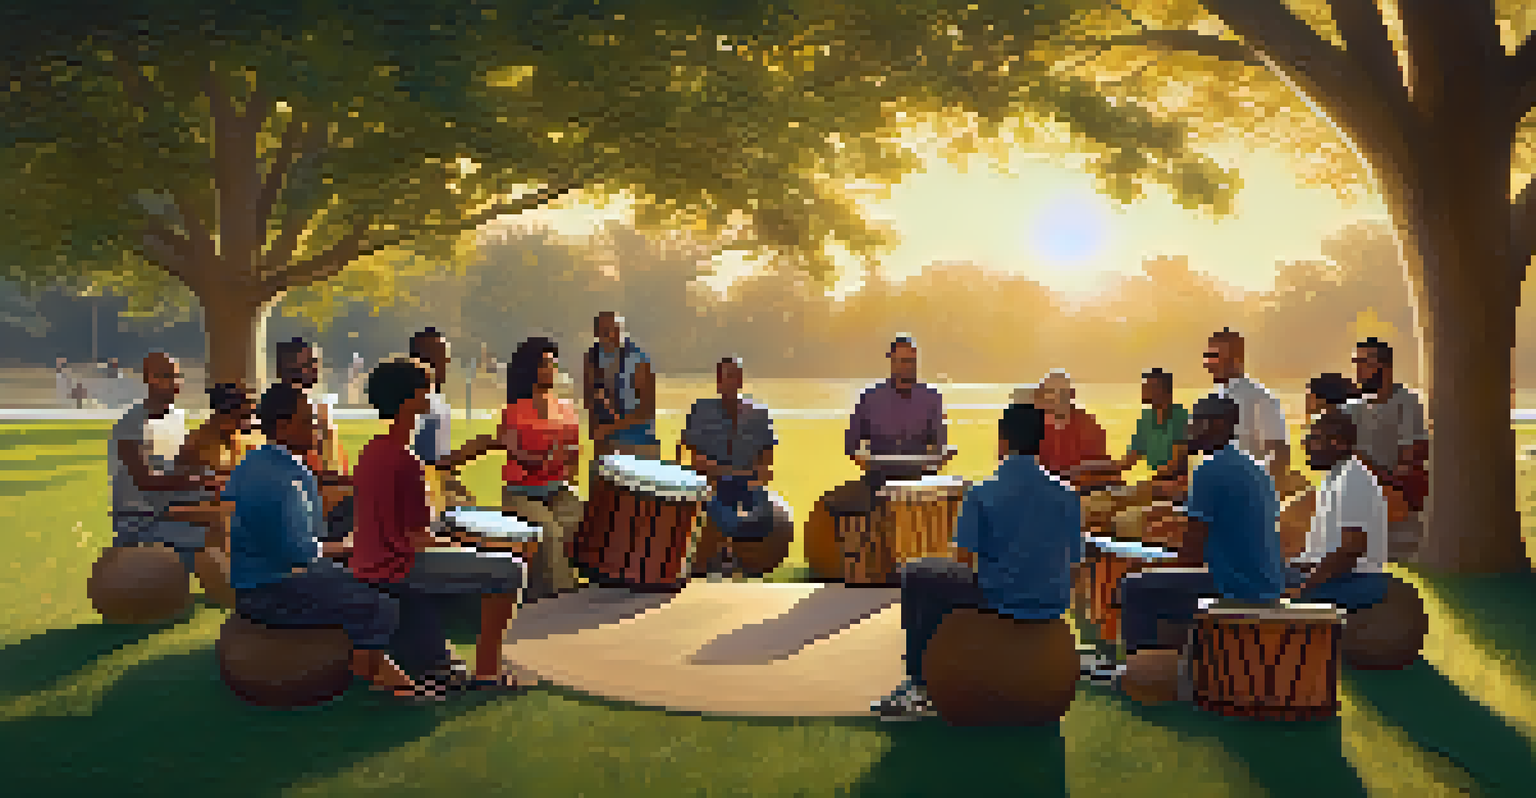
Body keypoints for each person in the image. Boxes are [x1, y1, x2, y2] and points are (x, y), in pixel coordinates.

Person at [224, 382, 441, 703]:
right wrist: (344, 547)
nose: (318, 429)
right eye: (309, 422)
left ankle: (408, 664)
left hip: (262, 580)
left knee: (376, 581)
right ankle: (376, 676)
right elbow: (297, 554)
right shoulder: (283, 480)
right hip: (270, 590)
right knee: (380, 603)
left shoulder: (258, 463)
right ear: (282, 427)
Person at [871, 403, 1083, 720]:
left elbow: (962, 562)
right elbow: (1075, 565)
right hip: (1052, 601)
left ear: (1002, 442)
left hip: (1001, 597)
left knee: (916, 574)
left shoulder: (983, 493)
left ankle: (918, 685)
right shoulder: (1068, 495)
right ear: (1042, 443)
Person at [352, 359, 532, 691]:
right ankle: (488, 672)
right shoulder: (406, 461)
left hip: (374, 560)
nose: (433, 394)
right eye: (428, 388)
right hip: (395, 566)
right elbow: (418, 538)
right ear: (411, 400)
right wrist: (472, 548)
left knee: (490, 561)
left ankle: (451, 660)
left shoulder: (372, 451)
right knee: (511, 569)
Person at [1111, 395, 1286, 669]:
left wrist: (1154, 566)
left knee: (1133, 587)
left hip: (1236, 587)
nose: (1189, 429)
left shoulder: (1209, 469)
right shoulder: (1254, 468)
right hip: (1266, 582)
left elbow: (1191, 555)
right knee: (1152, 578)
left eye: (1196, 422)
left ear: (1218, 424)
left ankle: (1142, 671)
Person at [438, 337, 582, 601]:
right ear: (531, 370)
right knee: (548, 533)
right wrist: (548, 458)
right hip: (521, 493)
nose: (552, 369)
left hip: (557, 489)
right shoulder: (515, 411)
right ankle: (563, 599)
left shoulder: (566, 408)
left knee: (583, 522)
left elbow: (572, 453)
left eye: (553, 364)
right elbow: (518, 454)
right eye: (545, 365)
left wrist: (566, 470)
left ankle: (554, 586)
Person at [107, 352, 230, 602]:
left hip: (172, 506)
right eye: (165, 376)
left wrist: (215, 476)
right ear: (147, 379)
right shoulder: (131, 425)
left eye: (176, 376)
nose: (174, 383)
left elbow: (182, 467)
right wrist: (202, 481)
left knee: (232, 508)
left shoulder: (176, 418)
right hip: (140, 520)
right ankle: (214, 586)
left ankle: (220, 584)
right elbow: (147, 481)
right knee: (221, 523)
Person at [825, 335, 954, 521]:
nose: (906, 366)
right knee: (836, 508)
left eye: (910, 361)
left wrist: (937, 459)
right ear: (891, 362)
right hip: (877, 482)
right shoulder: (869, 398)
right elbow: (850, 444)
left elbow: (941, 445)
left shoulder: (932, 398)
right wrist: (863, 460)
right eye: (901, 361)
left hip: (920, 481)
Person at [1282, 410, 1392, 610]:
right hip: (1334, 575)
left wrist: (1304, 588)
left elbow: (1351, 549)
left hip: (1353, 580)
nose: (1305, 445)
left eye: (1314, 439)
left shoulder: (1353, 480)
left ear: (1338, 444)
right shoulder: (1335, 476)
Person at [681, 357, 778, 576]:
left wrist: (757, 475)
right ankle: (724, 549)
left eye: (737, 376)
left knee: (763, 509)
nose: (733, 382)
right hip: (713, 482)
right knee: (715, 503)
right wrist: (726, 472)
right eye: (728, 376)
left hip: (747, 482)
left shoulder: (758, 413)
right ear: (718, 382)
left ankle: (738, 553)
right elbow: (696, 460)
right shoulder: (701, 411)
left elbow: (767, 458)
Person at [1343, 337, 1429, 561]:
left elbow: (1411, 460)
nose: (1358, 370)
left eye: (1366, 363)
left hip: (1395, 503)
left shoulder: (1406, 403)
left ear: (1386, 367)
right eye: (1356, 363)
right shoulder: (1353, 408)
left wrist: (1365, 466)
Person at [1080, 368, 1189, 534]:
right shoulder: (1146, 419)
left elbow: (1173, 464)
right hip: (1153, 484)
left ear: (1162, 390)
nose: (1143, 391)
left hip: (1174, 485)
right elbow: (1128, 462)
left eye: (1148, 387)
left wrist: (1146, 485)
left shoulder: (1179, 417)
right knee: (1095, 502)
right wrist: (1092, 467)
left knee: (1114, 508)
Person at [1202, 328, 1306, 498]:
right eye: (1208, 356)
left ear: (1236, 360)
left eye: (1216, 357)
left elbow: (1279, 453)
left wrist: (1262, 495)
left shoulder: (1258, 398)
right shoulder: (1214, 397)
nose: (1209, 363)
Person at [583, 312, 661, 462]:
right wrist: (596, 431)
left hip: (637, 440)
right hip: (605, 442)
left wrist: (609, 428)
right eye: (605, 331)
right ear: (597, 333)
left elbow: (646, 410)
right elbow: (590, 399)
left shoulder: (638, 359)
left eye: (616, 329)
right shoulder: (592, 358)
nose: (611, 334)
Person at [274, 337, 349, 485]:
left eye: (316, 363)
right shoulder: (276, 411)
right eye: (308, 364)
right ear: (286, 367)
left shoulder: (319, 409)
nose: (316, 369)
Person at [1031, 370, 1114, 489]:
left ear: (1071, 395)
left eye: (1061, 393)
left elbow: (1103, 464)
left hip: (1087, 488)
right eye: (1051, 393)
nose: (1056, 398)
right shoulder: (1036, 426)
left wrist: (1074, 471)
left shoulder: (1087, 423)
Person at [409, 329, 454, 466]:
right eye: (440, 356)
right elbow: (427, 462)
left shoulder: (437, 399)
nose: (447, 361)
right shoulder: (419, 403)